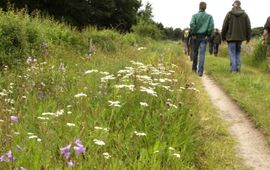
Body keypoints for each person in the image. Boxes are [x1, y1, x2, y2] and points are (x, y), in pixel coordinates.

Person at [221, 0, 251, 73]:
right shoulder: (245, 15)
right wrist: (248, 38)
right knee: (238, 53)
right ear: (240, 5)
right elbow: (248, 27)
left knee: (232, 53)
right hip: (240, 38)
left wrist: (223, 37)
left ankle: (233, 70)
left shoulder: (229, 14)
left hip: (231, 37)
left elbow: (224, 26)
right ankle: (237, 68)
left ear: (233, 5)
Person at [190, 2, 214, 76]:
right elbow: (211, 26)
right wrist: (208, 35)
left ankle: (194, 69)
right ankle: (200, 71)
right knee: (202, 54)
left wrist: (193, 34)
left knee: (195, 52)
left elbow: (192, 24)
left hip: (195, 37)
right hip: (204, 37)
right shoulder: (209, 17)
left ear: (199, 7)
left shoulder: (194, 16)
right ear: (205, 7)